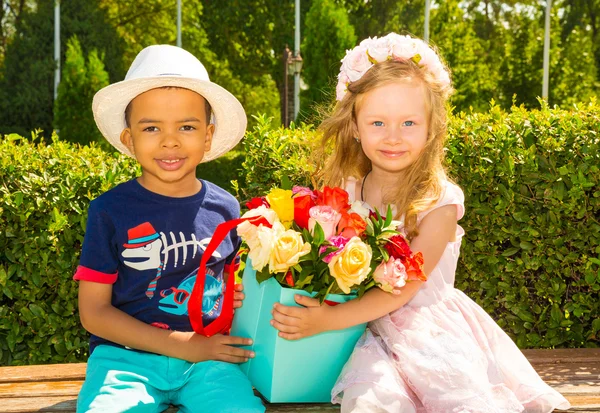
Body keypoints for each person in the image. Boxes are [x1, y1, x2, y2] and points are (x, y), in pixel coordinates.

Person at [271, 33, 571, 413]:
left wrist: (328, 319)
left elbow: (406, 288)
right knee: (373, 401)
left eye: (409, 123)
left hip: (425, 333)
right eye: (377, 122)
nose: (393, 137)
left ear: (431, 129)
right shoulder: (347, 191)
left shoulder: (439, 202)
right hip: (361, 331)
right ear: (354, 127)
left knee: (456, 402)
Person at [74, 45, 265, 412]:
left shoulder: (225, 207)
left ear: (207, 137)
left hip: (208, 362)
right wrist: (183, 344)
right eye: (151, 127)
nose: (170, 140)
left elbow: (226, 282)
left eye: (187, 127)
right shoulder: (110, 211)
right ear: (129, 139)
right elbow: (93, 312)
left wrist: (232, 295)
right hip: (124, 362)